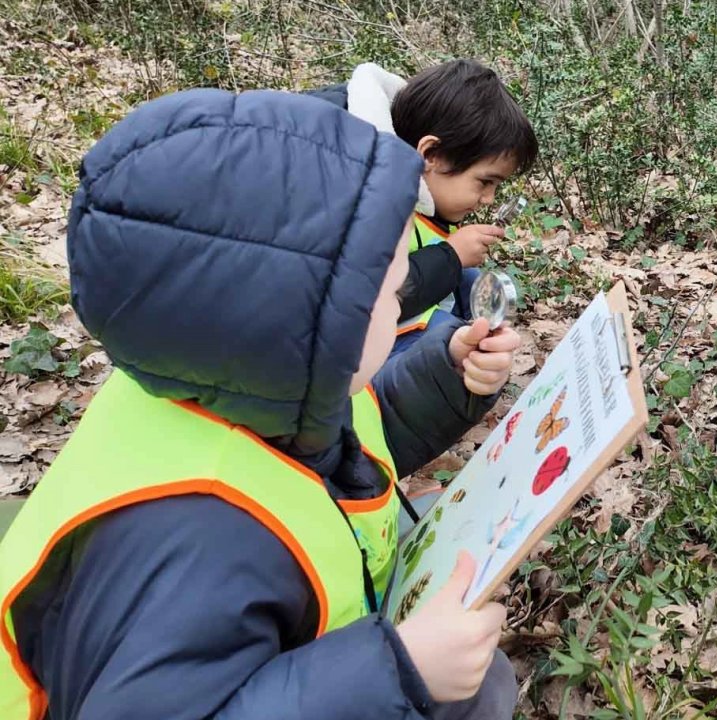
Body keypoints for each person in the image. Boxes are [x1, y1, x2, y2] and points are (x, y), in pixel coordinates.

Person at [0, 89, 522, 720]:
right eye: (388, 293)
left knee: (447, 523)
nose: (401, 303)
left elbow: (339, 449)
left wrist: (450, 374)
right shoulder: (198, 537)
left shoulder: (221, 374)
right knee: (479, 689)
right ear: (301, 323)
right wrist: (396, 671)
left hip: (284, 639)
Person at [309, 60, 538, 351]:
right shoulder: (362, 192)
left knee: (470, 279)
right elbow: (370, 297)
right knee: (448, 338)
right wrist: (452, 255)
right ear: (430, 154)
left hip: (398, 298)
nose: (489, 199)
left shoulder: (413, 179)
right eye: (485, 182)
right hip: (348, 340)